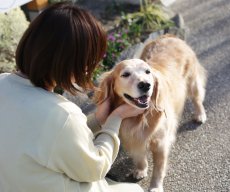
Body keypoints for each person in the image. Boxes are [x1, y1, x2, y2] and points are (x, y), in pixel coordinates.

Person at [0, 2, 145, 192]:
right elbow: (96, 167)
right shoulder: (62, 114)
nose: (90, 67)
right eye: (90, 60)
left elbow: (56, 142)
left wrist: (100, 120)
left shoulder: (2, 82)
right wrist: (115, 119)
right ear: (69, 61)